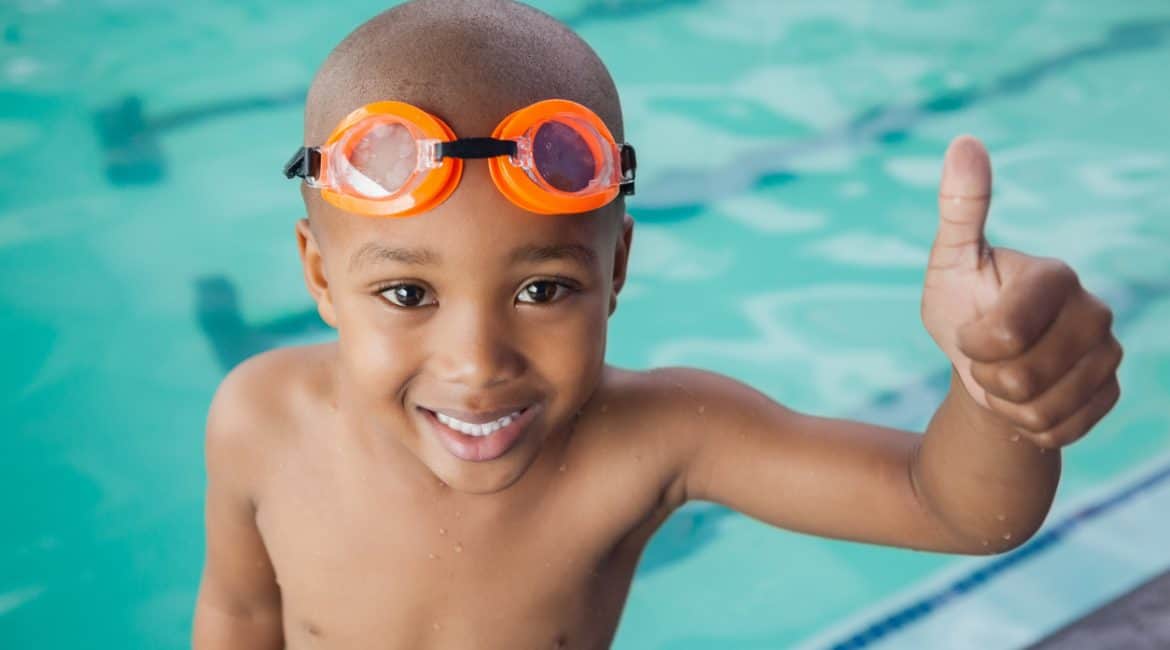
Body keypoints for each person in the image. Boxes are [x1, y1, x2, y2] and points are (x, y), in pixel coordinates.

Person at [191, 1, 1123, 647]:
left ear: (618, 268)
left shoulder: (657, 440)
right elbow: (238, 616)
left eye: (543, 290)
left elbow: (956, 509)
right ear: (319, 273)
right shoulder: (259, 421)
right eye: (407, 296)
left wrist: (995, 392)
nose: (476, 364)